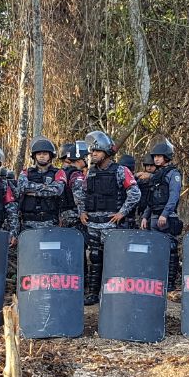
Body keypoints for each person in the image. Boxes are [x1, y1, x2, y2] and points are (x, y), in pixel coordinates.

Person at [74, 130, 141, 305]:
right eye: (92, 152)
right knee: (94, 257)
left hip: (112, 225)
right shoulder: (90, 173)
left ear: (106, 152)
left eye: (96, 151)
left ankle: (115, 294)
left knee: (115, 259)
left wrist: (122, 212)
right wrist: (82, 212)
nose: (93, 155)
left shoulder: (121, 171)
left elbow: (135, 193)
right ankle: (93, 294)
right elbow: (81, 194)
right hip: (93, 224)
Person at [141, 138, 183, 292]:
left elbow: (174, 197)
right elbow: (150, 199)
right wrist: (145, 216)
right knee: (154, 249)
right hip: (153, 217)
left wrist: (165, 214)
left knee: (171, 249)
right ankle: (156, 281)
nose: (156, 159)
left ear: (166, 157)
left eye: (159, 156)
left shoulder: (173, 174)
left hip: (167, 217)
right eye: (155, 156)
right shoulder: (156, 175)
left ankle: (170, 283)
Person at [16, 138, 66, 233]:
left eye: (45, 154)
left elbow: (57, 190)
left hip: (50, 222)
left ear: (50, 156)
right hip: (28, 223)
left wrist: (33, 192)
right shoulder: (26, 172)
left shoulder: (59, 172)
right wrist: (46, 187)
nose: (42, 156)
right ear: (34, 156)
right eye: (39, 154)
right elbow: (22, 187)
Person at [59, 140, 88, 228]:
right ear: (79, 159)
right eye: (85, 157)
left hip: (64, 213)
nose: (87, 159)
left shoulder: (63, 172)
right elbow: (78, 197)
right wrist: (82, 212)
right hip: (74, 215)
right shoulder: (76, 174)